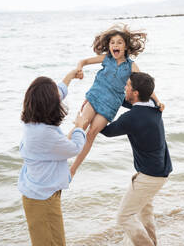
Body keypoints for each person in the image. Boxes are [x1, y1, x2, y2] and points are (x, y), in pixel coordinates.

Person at [70, 24, 164, 177]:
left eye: (119, 42)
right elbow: (84, 61)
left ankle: (73, 169)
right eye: (112, 42)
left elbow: (145, 86)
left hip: (110, 105)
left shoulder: (131, 66)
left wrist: (158, 102)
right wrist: (79, 69)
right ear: (109, 45)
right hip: (95, 96)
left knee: (91, 133)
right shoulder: (106, 58)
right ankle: (59, 152)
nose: (115, 45)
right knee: (83, 123)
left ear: (126, 46)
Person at [100, 72, 173, 246]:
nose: (125, 87)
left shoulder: (132, 118)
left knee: (123, 217)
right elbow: (128, 102)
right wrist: (112, 95)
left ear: (135, 93)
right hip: (161, 171)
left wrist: (90, 115)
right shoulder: (154, 105)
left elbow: (107, 131)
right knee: (144, 212)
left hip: (149, 176)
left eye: (128, 86)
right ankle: (152, 242)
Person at [18, 69, 87, 246]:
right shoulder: (45, 134)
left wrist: (71, 75)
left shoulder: (31, 120)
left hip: (40, 191)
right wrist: (79, 127)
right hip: (42, 199)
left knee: (54, 241)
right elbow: (75, 148)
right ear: (50, 105)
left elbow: (58, 92)